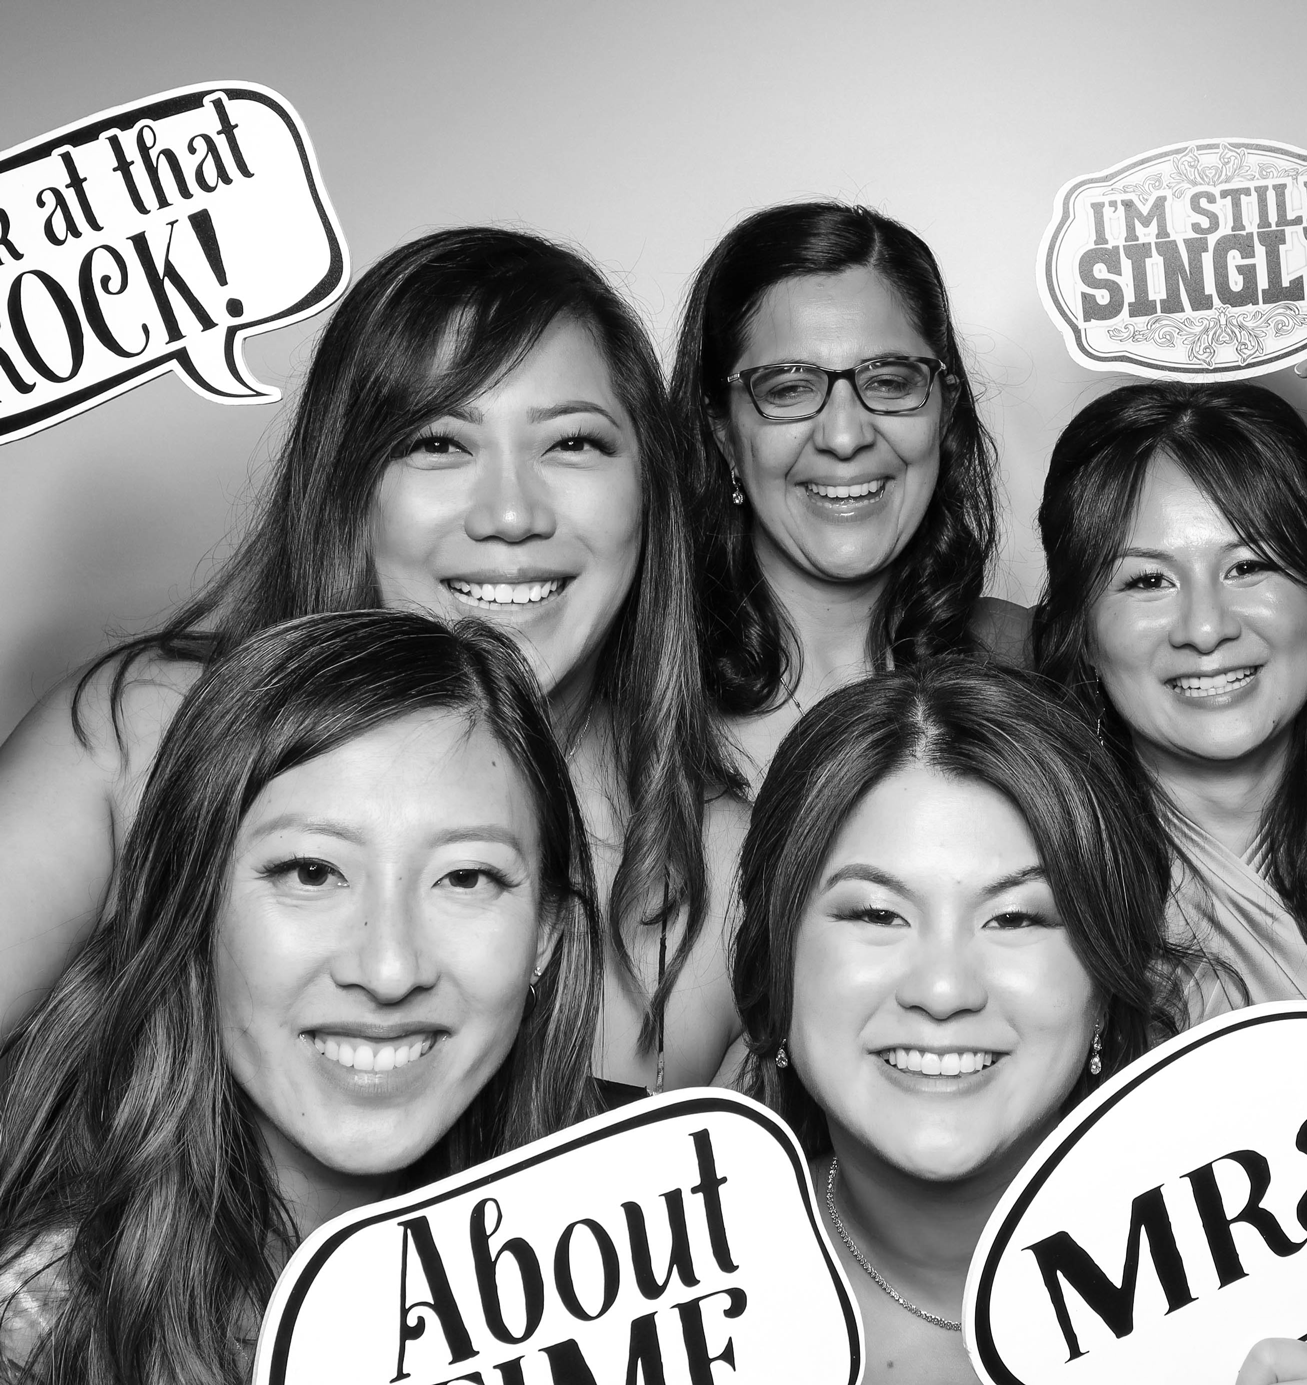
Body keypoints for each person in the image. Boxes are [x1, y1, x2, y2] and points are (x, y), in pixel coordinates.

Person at [0, 228, 743, 1087]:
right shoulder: (138, 742)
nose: (510, 513)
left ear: (647, 487)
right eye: (437, 443)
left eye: (572, 442)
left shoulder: (724, 870)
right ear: (348, 483)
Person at [729, 660, 1307, 1384]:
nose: (942, 987)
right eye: (875, 912)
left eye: (1017, 917)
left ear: (1102, 979)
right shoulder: (656, 1309)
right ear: (777, 961)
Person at [0, 610, 606, 1384]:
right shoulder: (37, 1338)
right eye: (311, 872)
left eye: (465, 877)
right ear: (193, 908)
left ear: (545, 937)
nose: (389, 968)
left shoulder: (645, 1266)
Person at [1032, 380, 1307, 1020]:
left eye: (1248, 566)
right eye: (1147, 580)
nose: (1206, 629)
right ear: (1083, 636)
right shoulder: (1032, 898)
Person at [669, 202, 1020, 792]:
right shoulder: (640, 702)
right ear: (723, 433)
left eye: (888, 381)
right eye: (787, 389)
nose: (844, 436)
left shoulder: (1033, 663)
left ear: (944, 410)